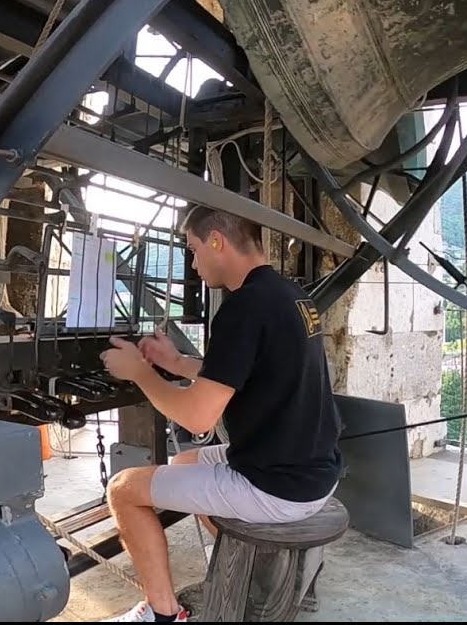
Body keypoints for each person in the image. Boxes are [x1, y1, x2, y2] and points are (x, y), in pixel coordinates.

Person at [98, 205, 344, 623]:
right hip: (314, 469)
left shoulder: (243, 306)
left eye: (194, 249)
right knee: (184, 462)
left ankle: (163, 614)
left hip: (278, 486)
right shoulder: (291, 295)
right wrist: (175, 363)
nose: (194, 264)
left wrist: (139, 372)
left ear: (217, 241)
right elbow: (247, 372)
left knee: (123, 489)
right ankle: (235, 559)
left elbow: (197, 418)